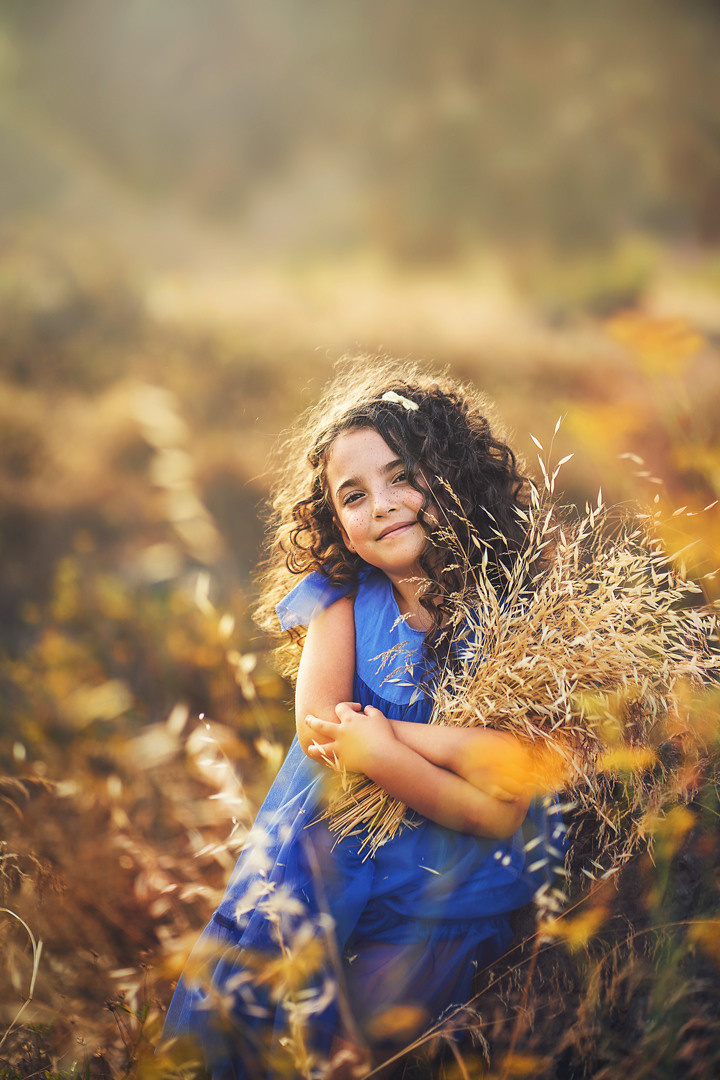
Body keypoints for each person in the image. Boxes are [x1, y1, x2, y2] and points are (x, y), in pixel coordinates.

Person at [162, 363, 567, 1079]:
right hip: (322, 862)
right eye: (353, 496)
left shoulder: (511, 613)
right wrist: (375, 749)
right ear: (339, 529)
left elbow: (504, 802)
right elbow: (322, 732)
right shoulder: (342, 602)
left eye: (401, 474)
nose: (381, 504)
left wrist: (385, 745)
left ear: (455, 475)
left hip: (442, 883)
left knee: (361, 1045)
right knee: (240, 1015)